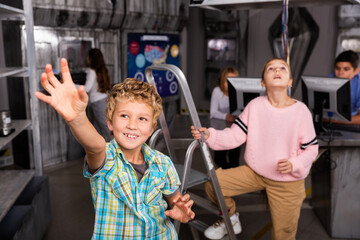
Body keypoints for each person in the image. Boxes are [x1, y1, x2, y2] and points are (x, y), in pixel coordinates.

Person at [35, 58, 195, 239]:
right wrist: (77, 119)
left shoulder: (163, 163)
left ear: (151, 128)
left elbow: (173, 197)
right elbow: (95, 147)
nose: (132, 125)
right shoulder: (106, 158)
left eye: (142, 119)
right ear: (109, 123)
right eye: (124, 115)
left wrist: (178, 206)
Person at [191, 58, 319, 240]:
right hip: (255, 172)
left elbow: (312, 149)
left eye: (283, 68)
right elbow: (235, 135)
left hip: (287, 182)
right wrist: (211, 135)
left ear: (290, 81)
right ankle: (232, 218)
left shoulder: (301, 111)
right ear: (262, 82)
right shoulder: (255, 106)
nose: (277, 70)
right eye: (271, 68)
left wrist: (294, 163)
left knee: (284, 235)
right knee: (213, 184)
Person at [210, 67, 241, 169]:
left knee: (234, 158)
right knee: (219, 158)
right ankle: (225, 175)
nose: (230, 83)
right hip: (220, 129)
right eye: (227, 80)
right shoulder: (217, 91)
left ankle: (232, 176)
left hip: (235, 130)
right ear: (222, 80)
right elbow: (213, 112)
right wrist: (226, 116)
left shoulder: (239, 92)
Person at [81, 48, 112, 141]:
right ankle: (99, 152)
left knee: (105, 129)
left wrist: (73, 85)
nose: (86, 58)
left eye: (88, 56)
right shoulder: (102, 70)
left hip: (97, 103)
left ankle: (115, 152)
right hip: (104, 100)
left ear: (91, 58)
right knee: (97, 129)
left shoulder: (92, 71)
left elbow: (87, 88)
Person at [329, 50, 360, 124]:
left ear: (356, 71)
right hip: (331, 123)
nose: (340, 73)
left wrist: (333, 120)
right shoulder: (328, 80)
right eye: (337, 68)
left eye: (346, 69)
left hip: (353, 127)